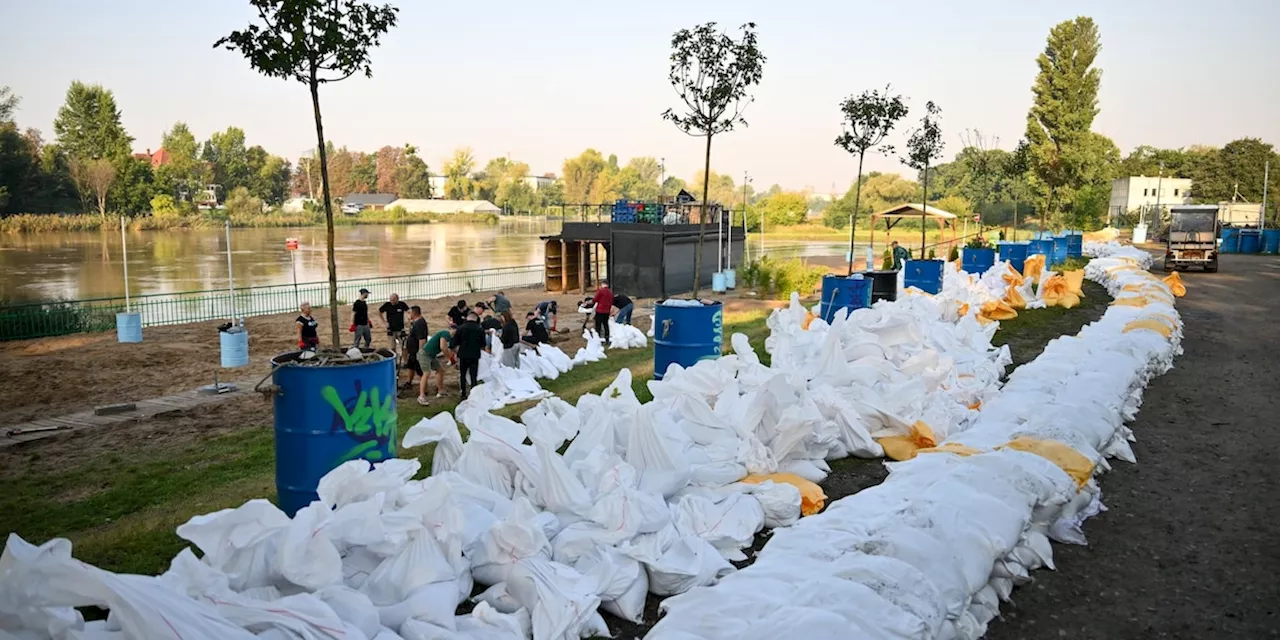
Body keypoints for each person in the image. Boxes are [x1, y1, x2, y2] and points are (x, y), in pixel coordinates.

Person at [450, 312, 488, 400]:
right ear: (476, 319)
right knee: (473, 375)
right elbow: (483, 344)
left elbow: (454, 342)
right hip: (475, 355)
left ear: (467, 318)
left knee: (462, 375)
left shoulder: (461, 328)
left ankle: (463, 393)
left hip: (463, 354)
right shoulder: (480, 329)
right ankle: (473, 393)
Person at [417, 324, 454, 406]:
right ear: (450, 329)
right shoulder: (445, 333)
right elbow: (443, 347)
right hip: (425, 354)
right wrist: (449, 359)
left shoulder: (449, 337)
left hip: (431, 355)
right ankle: (421, 396)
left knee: (440, 371)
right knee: (426, 373)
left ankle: (440, 391)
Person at [402, 305, 428, 389]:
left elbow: (422, 339)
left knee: (419, 370)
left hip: (417, 351)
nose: (408, 315)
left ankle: (424, 389)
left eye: (409, 313)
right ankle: (409, 382)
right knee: (411, 366)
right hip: (412, 351)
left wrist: (420, 352)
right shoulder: (415, 322)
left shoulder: (420, 323)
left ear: (414, 313)